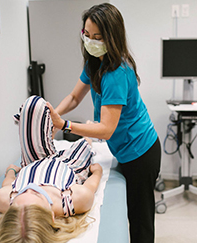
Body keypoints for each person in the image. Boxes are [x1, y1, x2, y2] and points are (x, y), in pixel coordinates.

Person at [47, 3, 161, 243]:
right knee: (136, 214)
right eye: (86, 35)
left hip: (141, 152)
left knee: (140, 220)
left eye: (97, 37)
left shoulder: (117, 73)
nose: (90, 41)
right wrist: (51, 115)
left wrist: (65, 125)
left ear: (112, 37)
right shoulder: (94, 62)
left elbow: (106, 130)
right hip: (125, 149)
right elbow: (74, 96)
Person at [0, 95, 103, 243]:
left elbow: (8, 185)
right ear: (52, 215)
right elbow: (90, 187)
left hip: (34, 162)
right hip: (68, 166)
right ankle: (88, 132)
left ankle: (48, 132)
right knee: (82, 145)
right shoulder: (69, 201)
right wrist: (97, 173)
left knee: (33, 104)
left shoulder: (4, 200)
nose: (33, 188)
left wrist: (11, 172)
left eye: (24, 191)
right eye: (38, 195)